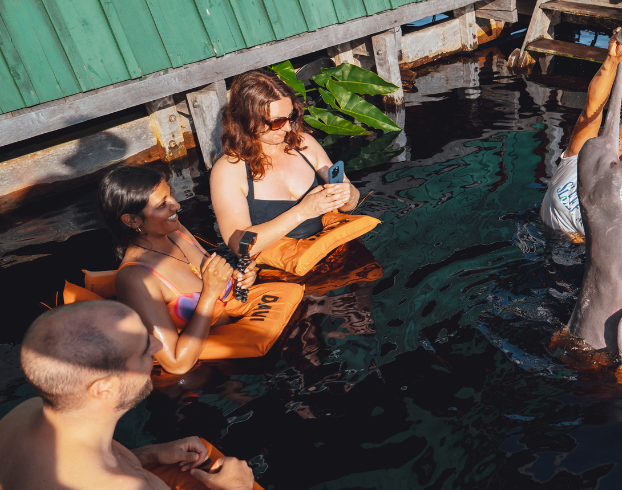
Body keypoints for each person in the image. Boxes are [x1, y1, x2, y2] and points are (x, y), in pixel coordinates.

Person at [0, 301, 258, 489]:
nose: (158, 346)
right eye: (144, 349)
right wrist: (237, 487)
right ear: (105, 388)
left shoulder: (25, 413)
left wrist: (149, 455)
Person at [99, 167, 251, 375]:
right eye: (163, 204)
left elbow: (212, 278)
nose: (176, 205)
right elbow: (176, 364)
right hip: (206, 379)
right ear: (132, 220)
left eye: (171, 195)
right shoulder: (135, 277)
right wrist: (210, 293)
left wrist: (236, 278)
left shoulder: (178, 232)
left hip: (242, 348)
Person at [209, 69, 359, 257]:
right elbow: (239, 246)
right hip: (284, 270)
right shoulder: (229, 171)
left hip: (334, 250)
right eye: (278, 121)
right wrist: (302, 212)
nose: (288, 128)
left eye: (291, 116)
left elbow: (350, 204)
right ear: (249, 119)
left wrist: (349, 193)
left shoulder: (304, 144)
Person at [541, 29, 622, 242]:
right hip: (537, 246)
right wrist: (612, 61)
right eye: (614, 143)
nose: (617, 153)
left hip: (578, 262)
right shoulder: (576, 159)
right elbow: (592, 108)